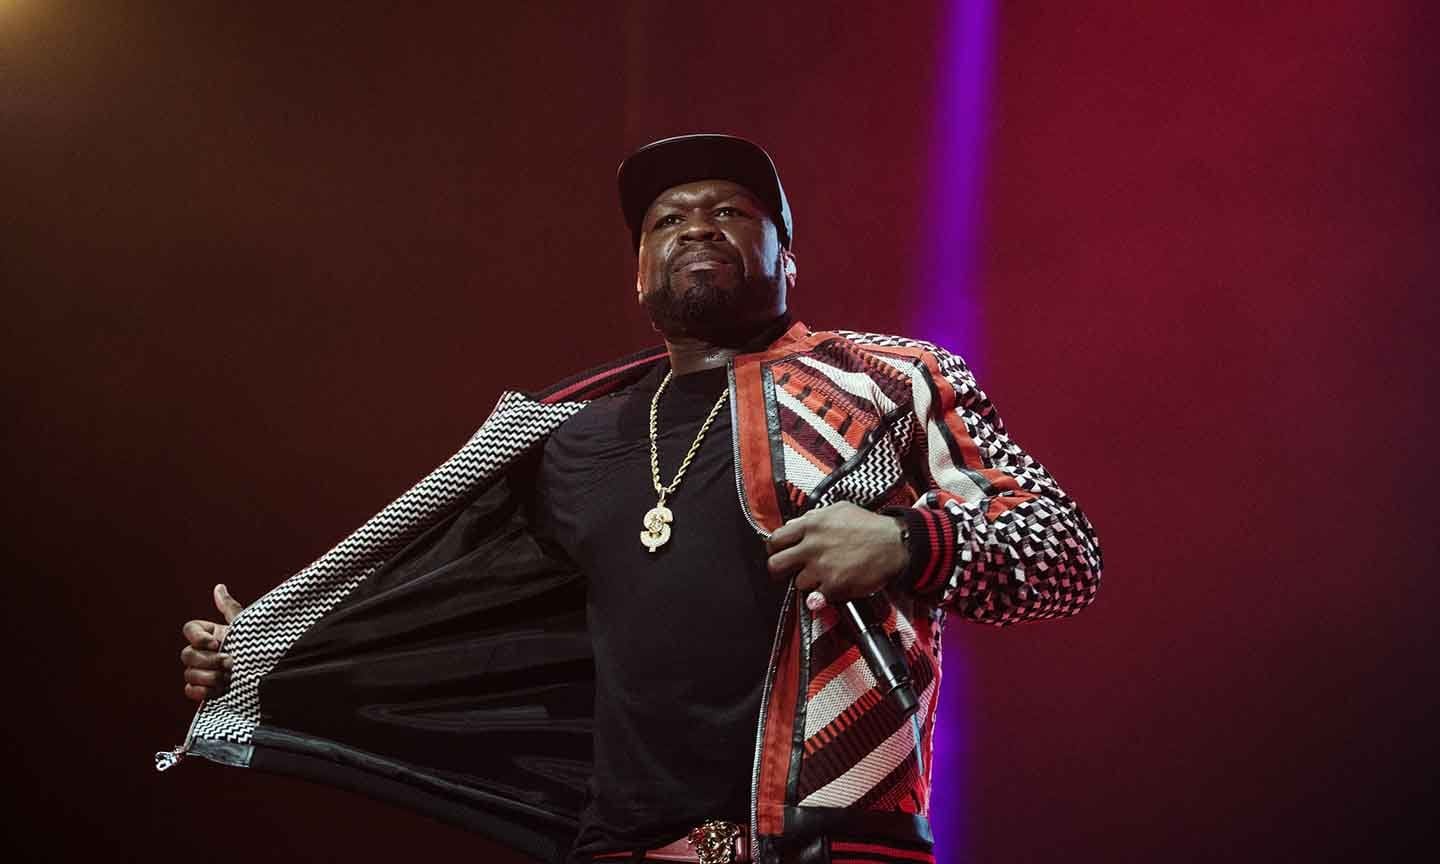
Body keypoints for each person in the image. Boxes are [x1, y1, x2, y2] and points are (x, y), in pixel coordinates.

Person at [171, 134, 1103, 864]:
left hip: (834, 845)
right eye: (666, 220)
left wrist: (905, 541)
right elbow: (443, 601)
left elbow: (1064, 551)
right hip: (617, 848)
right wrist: (270, 648)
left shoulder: (892, 381)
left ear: (788, 256)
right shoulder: (564, 439)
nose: (696, 225)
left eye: (731, 210)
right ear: (639, 273)